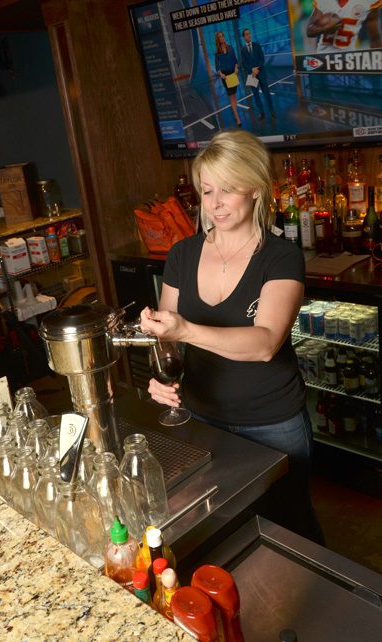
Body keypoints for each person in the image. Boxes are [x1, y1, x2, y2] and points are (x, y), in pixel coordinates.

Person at [140, 130, 324, 545]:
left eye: (229, 189)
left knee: (291, 528)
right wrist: (162, 370)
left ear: (256, 189)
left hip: (272, 422)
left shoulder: (280, 256)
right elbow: (169, 339)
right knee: (220, 530)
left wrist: (184, 328)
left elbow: (265, 344)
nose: (216, 203)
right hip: (202, 417)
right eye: (207, 191)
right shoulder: (182, 254)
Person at [306, 2, 382, 52]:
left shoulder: (368, 2)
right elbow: (309, 31)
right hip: (324, 58)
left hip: (349, 60)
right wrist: (326, 28)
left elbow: (375, 38)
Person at [240, 28, 275, 120]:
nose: (249, 35)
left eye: (249, 33)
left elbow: (262, 59)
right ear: (244, 37)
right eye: (247, 34)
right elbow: (244, 64)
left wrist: (256, 69)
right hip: (251, 75)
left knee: (266, 93)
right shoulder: (243, 50)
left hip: (261, 72)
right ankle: (261, 112)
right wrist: (252, 70)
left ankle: (271, 111)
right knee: (256, 95)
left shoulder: (257, 46)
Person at [214, 31, 242, 127]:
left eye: (222, 36)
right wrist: (220, 74)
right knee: (231, 96)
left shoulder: (230, 48)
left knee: (234, 96)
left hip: (233, 74)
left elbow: (235, 60)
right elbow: (217, 67)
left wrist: (236, 67)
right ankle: (237, 116)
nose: (221, 38)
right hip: (225, 77)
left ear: (224, 37)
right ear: (218, 39)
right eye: (219, 37)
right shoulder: (217, 53)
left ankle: (235, 112)